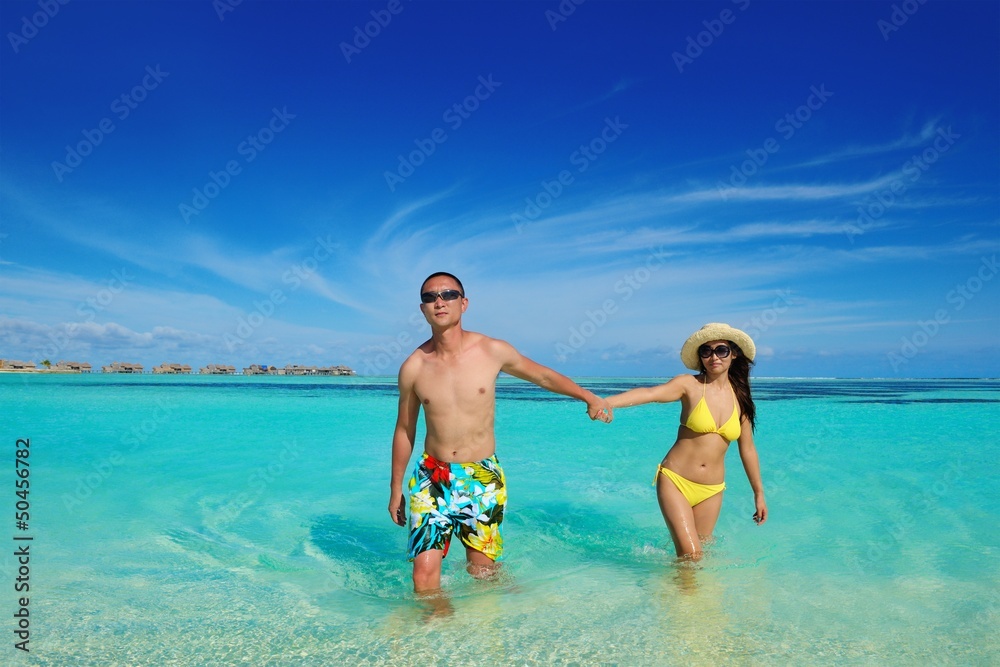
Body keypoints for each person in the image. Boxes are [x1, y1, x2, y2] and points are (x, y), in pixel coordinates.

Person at [388, 271, 612, 593]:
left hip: (482, 476)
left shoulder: (491, 350)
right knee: (423, 576)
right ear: (422, 309)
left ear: (463, 304)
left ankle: (498, 617)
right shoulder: (414, 367)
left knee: (482, 575)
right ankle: (433, 636)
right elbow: (405, 429)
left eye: (449, 294)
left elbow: (543, 377)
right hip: (432, 476)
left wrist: (588, 397)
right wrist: (396, 487)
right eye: (430, 297)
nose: (439, 301)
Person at [606, 323, 767, 560]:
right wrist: (608, 402)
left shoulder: (741, 398)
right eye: (706, 351)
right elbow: (650, 394)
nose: (713, 357)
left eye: (721, 350)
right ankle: (677, 595)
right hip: (676, 481)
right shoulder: (689, 385)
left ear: (734, 354)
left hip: (712, 490)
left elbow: (748, 450)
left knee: (700, 557)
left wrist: (759, 493)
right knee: (692, 556)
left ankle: (681, 594)